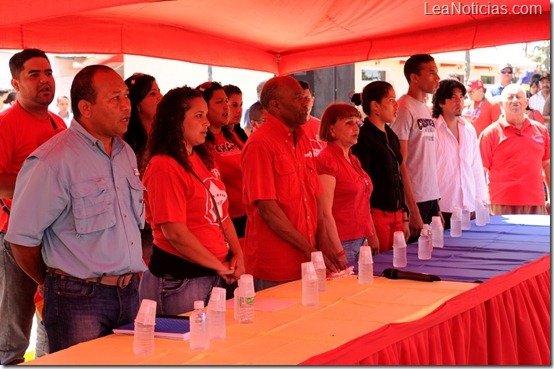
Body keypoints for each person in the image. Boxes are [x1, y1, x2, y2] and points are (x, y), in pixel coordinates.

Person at [5, 64, 146, 354]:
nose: (126, 106)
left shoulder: (125, 153)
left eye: (126, 97)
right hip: (78, 299)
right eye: (114, 98)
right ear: (86, 107)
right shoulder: (53, 159)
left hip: (129, 293)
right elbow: (21, 239)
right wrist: (53, 283)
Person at [139, 86, 244, 315]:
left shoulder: (204, 158)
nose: (207, 122)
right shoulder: (164, 166)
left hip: (214, 274)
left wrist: (238, 255)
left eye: (206, 115)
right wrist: (219, 266)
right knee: (186, 349)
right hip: (181, 280)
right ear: (176, 121)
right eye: (198, 116)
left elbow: (222, 216)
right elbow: (175, 232)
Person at [241, 76, 339, 292]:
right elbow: (267, 208)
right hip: (277, 264)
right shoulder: (260, 144)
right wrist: (310, 249)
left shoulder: (303, 137)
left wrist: (322, 241)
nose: (306, 103)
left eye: (305, 97)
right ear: (275, 105)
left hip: (308, 259)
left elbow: (314, 195)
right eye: (298, 98)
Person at [0, 48, 66, 365]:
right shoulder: (6, 123)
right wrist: (40, 187)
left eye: (49, 73)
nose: (44, 80)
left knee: (52, 319)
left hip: (56, 237)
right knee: (13, 330)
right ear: (16, 82)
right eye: (34, 74)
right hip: (16, 237)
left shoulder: (59, 123)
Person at [315, 103, 378, 266]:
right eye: (348, 123)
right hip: (343, 242)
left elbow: (364, 200)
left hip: (361, 239)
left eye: (357, 123)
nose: (356, 128)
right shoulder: (327, 159)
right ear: (331, 129)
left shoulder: (353, 158)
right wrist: (338, 251)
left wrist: (371, 235)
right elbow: (324, 212)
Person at [351, 81, 410, 252]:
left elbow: (398, 177)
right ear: (375, 106)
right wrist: (370, 229)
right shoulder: (363, 138)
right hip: (376, 214)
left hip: (397, 213)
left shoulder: (390, 134)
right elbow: (363, 186)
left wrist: (404, 215)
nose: (396, 105)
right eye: (391, 99)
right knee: (380, 270)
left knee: (398, 264)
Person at [389, 54, 442, 242]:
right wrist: (411, 209)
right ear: (414, 77)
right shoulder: (403, 108)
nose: (437, 78)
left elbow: (426, 159)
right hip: (414, 200)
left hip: (430, 198)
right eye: (432, 72)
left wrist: (436, 203)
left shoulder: (424, 108)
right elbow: (399, 162)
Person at [479, 84, 550, 215]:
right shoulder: (489, 134)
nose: (515, 100)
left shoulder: (541, 130)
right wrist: (480, 203)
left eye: (518, 97)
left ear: (526, 102)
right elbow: (480, 172)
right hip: (500, 204)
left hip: (536, 202)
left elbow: (547, 165)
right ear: (501, 104)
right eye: (510, 97)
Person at [432, 79, 488, 229]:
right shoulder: (431, 131)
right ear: (441, 102)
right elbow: (428, 173)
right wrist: (434, 208)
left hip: (469, 208)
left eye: (461, 97)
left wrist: (481, 203)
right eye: (453, 97)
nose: (459, 101)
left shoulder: (468, 129)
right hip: (443, 208)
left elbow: (476, 168)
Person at [198, 81, 247, 238]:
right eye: (219, 102)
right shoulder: (201, 142)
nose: (226, 106)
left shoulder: (232, 135)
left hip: (248, 212)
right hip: (226, 220)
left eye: (226, 101)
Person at [123, 73, 163, 263]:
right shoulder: (126, 144)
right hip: (141, 228)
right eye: (152, 93)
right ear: (136, 103)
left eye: (159, 91)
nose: (160, 97)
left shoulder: (166, 138)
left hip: (167, 221)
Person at [298, 80, 326, 157]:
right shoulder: (286, 128)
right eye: (299, 98)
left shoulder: (322, 127)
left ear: (312, 101)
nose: (304, 103)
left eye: (307, 98)